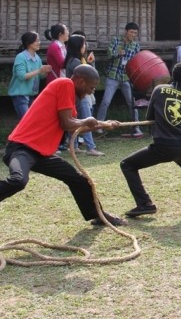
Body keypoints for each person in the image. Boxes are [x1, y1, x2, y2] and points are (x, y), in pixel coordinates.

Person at [0, 65, 125, 226]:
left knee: (79, 180)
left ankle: (98, 215)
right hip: (21, 148)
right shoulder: (65, 83)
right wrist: (91, 121)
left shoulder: (69, 98)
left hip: (41, 153)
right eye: (91, 87)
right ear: (80, 81)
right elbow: (68, 123)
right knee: (18, 180)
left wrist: (104, 124)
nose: (91, 91)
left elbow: (75, 126)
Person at [120, 63, 181, 217]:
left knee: (127, 165)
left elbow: (149, 117)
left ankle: (145, 203)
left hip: (163, 146)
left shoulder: (159, 90)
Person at [95, 22, 143, 138]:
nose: (133, 35)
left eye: (135, 33)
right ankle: (99, 126)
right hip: (113, 75)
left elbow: (137, 61)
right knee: (106, 101)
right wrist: (117, 53)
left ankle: (136, 127)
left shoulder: (135, 46)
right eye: (131, 32)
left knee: (131, 102)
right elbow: (109, 54)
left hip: (126, 77)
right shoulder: (116, 40)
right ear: (126, 31)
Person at [64, 35, 105, 157]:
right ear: (78, 46)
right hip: (80, 96)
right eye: (83, 44)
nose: (85, 46)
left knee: (75, 120)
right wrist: (91, 64)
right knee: (87, 120)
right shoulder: (76, 62)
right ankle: (90, 147)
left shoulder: (73, 60)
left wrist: (89, 62)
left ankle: (75, 146)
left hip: (74, 96)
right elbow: (89, 76)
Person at [8, 32, 52, 119]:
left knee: (30, 122)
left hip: (31, 95)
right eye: (37, 41)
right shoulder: (21, 57)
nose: (39, 43)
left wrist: (45, 72)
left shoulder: (37, 58)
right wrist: (39, 70)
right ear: (29, 43)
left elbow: (40, 76)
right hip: (20, 95)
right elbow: (22, 76)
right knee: (26, 122)